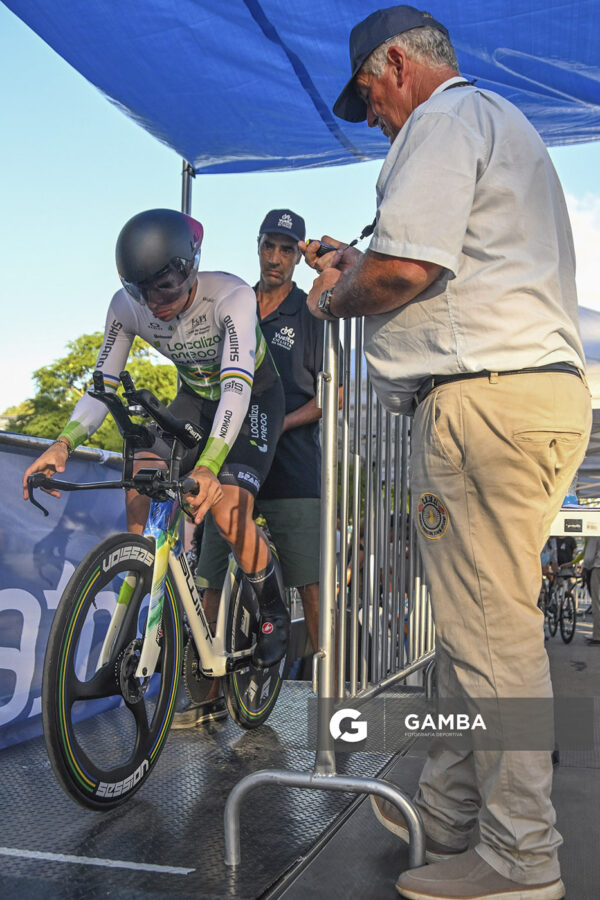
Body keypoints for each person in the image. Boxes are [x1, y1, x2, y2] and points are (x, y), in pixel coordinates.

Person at [301, 7, 591, 900]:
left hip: (481, 403)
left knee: (491, 639)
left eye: (370, 98)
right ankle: (454, 813)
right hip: (524, 394)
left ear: (396, 64)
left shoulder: (441, 119)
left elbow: (401, 275)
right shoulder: (495, 123)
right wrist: (361, 261)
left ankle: (520, 857)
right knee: (476, 631)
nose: (376, 116)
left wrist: (335, 295)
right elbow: (421, 261)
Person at [23, 209, 290, 700]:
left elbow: (234, 388)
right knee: (142, 484)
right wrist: (62, 444)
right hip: (193, 397)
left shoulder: (231, 296)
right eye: (141, 292)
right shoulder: (127, 307)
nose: (155, 304)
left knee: (229, 514)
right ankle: (146, 611)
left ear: (191, 268)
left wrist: (210, 467)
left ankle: (273, 612)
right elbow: (101, 387)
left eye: (165, 289)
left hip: (250, 399)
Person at [196, 208, 328, 667]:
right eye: (268, 246)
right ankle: (207, 694)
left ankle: (332, 709)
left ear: (297, 256)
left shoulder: (311, 311)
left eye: (286, 249)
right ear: (257, 247)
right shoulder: (235, 303)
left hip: (292, 463)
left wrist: (278, 425)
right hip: (232, 457)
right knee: (210, 578)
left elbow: (332, 396)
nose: (275, 257)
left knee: (310, 585)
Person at [581, 536, 600, 644]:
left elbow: (589, 557)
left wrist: (585, 568)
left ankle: (597, 635)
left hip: (597, 569)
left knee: (596, 603)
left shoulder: (595, 533)